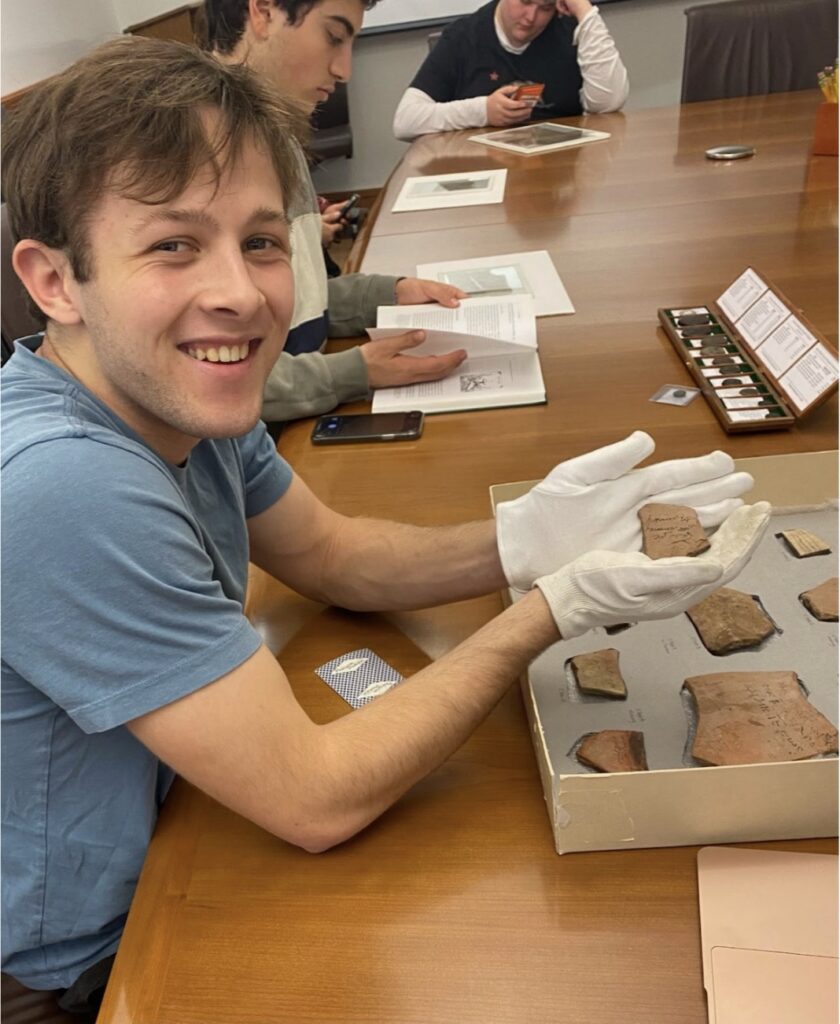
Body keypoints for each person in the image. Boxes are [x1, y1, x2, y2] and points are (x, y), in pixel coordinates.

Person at [1, 36, 768, 1019]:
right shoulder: (63, 480)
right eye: (173, 244)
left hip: (180, 822)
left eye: (262, 239)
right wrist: (550, 606)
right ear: (56, 281)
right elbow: (316, 795)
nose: (240, 291)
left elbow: (331, 556)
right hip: (78, 963)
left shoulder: (178, 397)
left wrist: (522, 538)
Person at [203, 0, 469, 423]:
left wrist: (388, 294)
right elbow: (205, 377)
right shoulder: (196, 160)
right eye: (333, 37)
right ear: (264, 11)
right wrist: (352, 371)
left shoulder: (278, 138)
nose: (345, 70)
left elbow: (299, 301)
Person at [393, 0, 629, 142]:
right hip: (485, 170)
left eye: (545, 7)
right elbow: (405, 121)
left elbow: (608, 104)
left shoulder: (569, 28)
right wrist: (483, 110)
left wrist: (583, 10)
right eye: (525, 1)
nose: (531, 18)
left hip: (557, 174)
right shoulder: (463, 38)